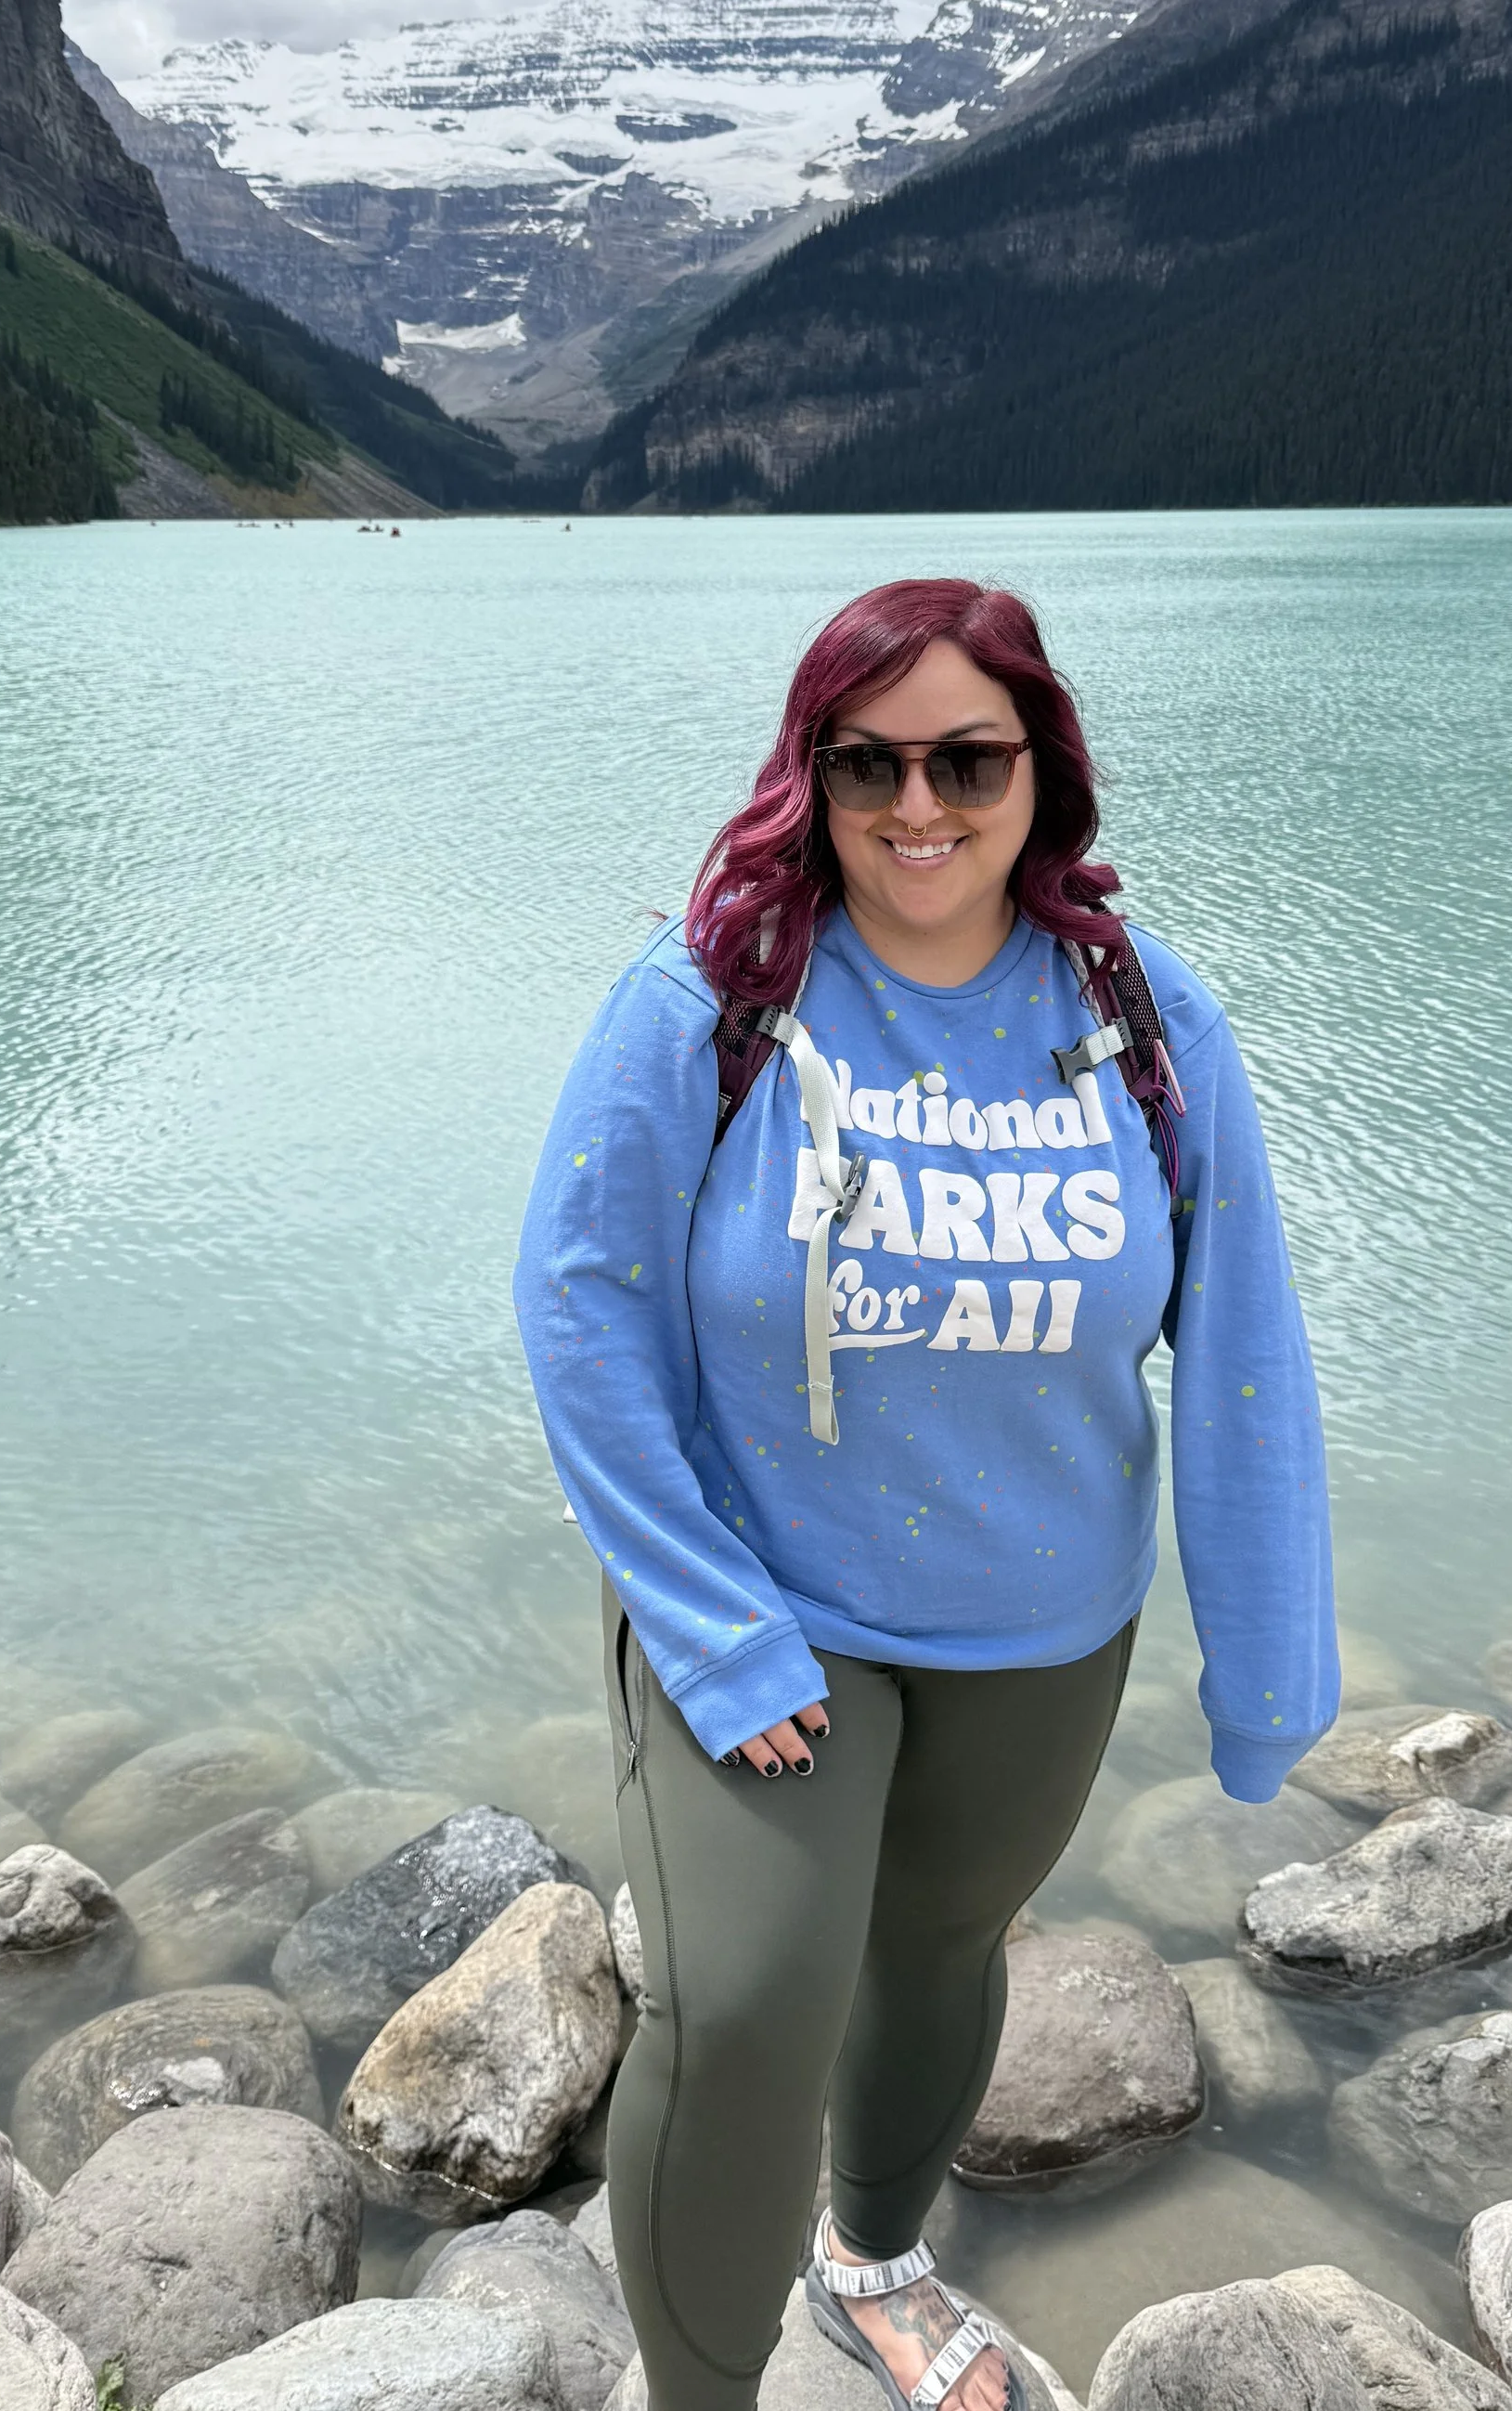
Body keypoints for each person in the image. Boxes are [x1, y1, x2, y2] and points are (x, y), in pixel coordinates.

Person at [514, 577, 1338, 2411]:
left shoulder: (1140, 1014)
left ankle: (868, 2262)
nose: (915, 805)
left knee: (942, 1946)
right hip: (767, 1604)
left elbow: (1243, 1342)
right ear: (804, 772)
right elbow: (579, 1305)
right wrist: (711, 1628)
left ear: (1040, 767)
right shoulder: (713, 993)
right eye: (864, 758)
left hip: (1040, 1620)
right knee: (742, 2004)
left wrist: (1269, 1671)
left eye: (966, 757)